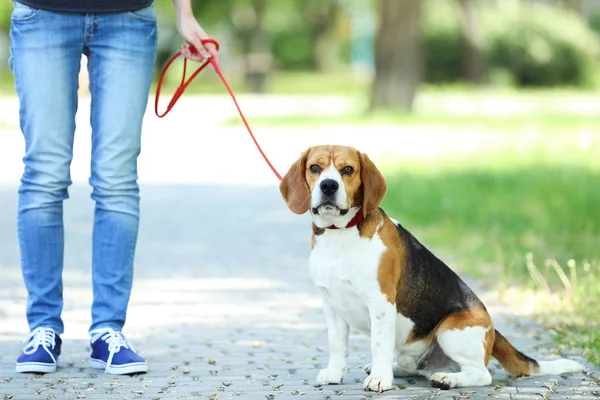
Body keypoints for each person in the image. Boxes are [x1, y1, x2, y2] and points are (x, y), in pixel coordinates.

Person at [9, 0, 218, 374]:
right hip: (42, 13)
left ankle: (108, 330)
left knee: (116, 179)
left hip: (128, 16)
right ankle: (42, 329)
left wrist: (184, 15)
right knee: (44, 174)